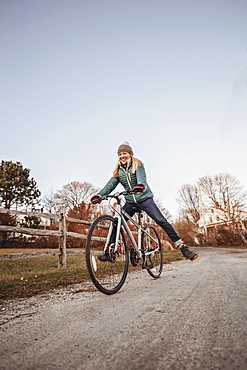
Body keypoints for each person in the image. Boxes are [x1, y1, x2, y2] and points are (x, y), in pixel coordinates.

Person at [91, 141, 198, 262]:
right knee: (115, 223)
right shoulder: (118, 171)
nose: (122, 156)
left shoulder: (138, 165)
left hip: (144, 199)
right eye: (120, 154)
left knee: (161, 220)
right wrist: (99, 195)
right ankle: (109, 252)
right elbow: (110, 185)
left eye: (124, 153)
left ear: (130, 154)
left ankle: (182, 247)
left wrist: (140, 186)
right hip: (131, 202)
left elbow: (142, 179)